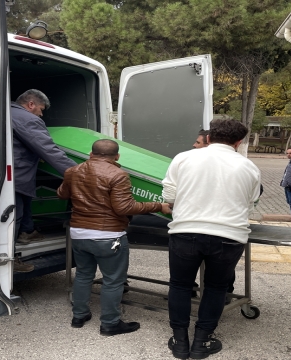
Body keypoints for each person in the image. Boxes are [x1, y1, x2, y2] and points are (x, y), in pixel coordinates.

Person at [163, 119, 261, 359]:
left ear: (208, 138)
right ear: (238, 143)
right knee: (216, 288)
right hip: (229, 236)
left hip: (186, 231)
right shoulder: (249, 167)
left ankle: (179, 341)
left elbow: (168, 194)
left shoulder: (183, 158)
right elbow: (251, 203)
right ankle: (202, 341)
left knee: (180, 285)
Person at [57, 139, 172, 336]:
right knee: (113, 280)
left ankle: (79, 315)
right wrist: (156, 206)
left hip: (78, 232)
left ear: (91, 154)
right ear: (117, 157)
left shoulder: (72, 171)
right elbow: (124, 208)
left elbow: (62, 194)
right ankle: (110, 323)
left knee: (84, 275)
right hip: (107, 235)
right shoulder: (119, 175)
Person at [11, 89, 76, 272]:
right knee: (14, 217)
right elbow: (49, 150)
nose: (41, 114)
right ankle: (9, 259)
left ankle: (27, 232)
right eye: (40, 109)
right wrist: (78, 172)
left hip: (13, 176)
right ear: (31, 104)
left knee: (23, 205)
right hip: (16, 175)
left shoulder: (4, 112)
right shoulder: (28, 119)